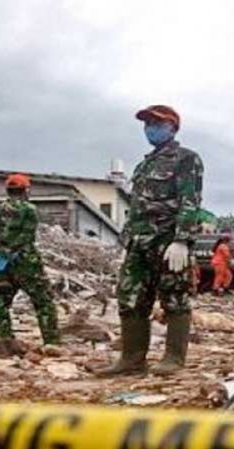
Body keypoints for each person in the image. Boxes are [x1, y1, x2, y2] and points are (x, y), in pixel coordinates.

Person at [97, 105, 204, 376]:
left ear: (173, 128)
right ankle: (132, 359)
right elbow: (136, 207)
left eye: (157, 124)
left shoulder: (186, 158)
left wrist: (182, 240)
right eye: (147, 124)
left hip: (167, 241)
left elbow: (190, 201)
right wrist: (126, 243)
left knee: (175, 296)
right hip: (138, 242)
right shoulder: (144, 165)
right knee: (130, 297)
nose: (150, 129)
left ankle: (173, 359)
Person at [0, 173, 59, 347]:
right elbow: (27, 236)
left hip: (2, 265)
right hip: (26, 263)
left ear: (8, 191)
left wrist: (0, 251)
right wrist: (12, 251)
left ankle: (4, 340)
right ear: (26, 190)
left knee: (0, 301)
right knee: (43, 301)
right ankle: (51, 342)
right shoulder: (29, 210)